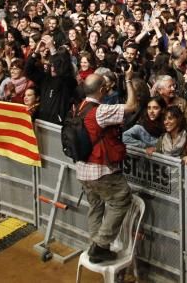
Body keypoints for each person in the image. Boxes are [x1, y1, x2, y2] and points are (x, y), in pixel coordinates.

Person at [73, 66, 138, 264]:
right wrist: (128, 80)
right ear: (102, 90)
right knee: (122, 198)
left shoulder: (80, 107)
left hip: (82, 169)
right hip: (100, 169)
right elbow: (131, 106)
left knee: (96, 205)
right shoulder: (100, 111)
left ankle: (96, 244)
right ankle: (100, 246)